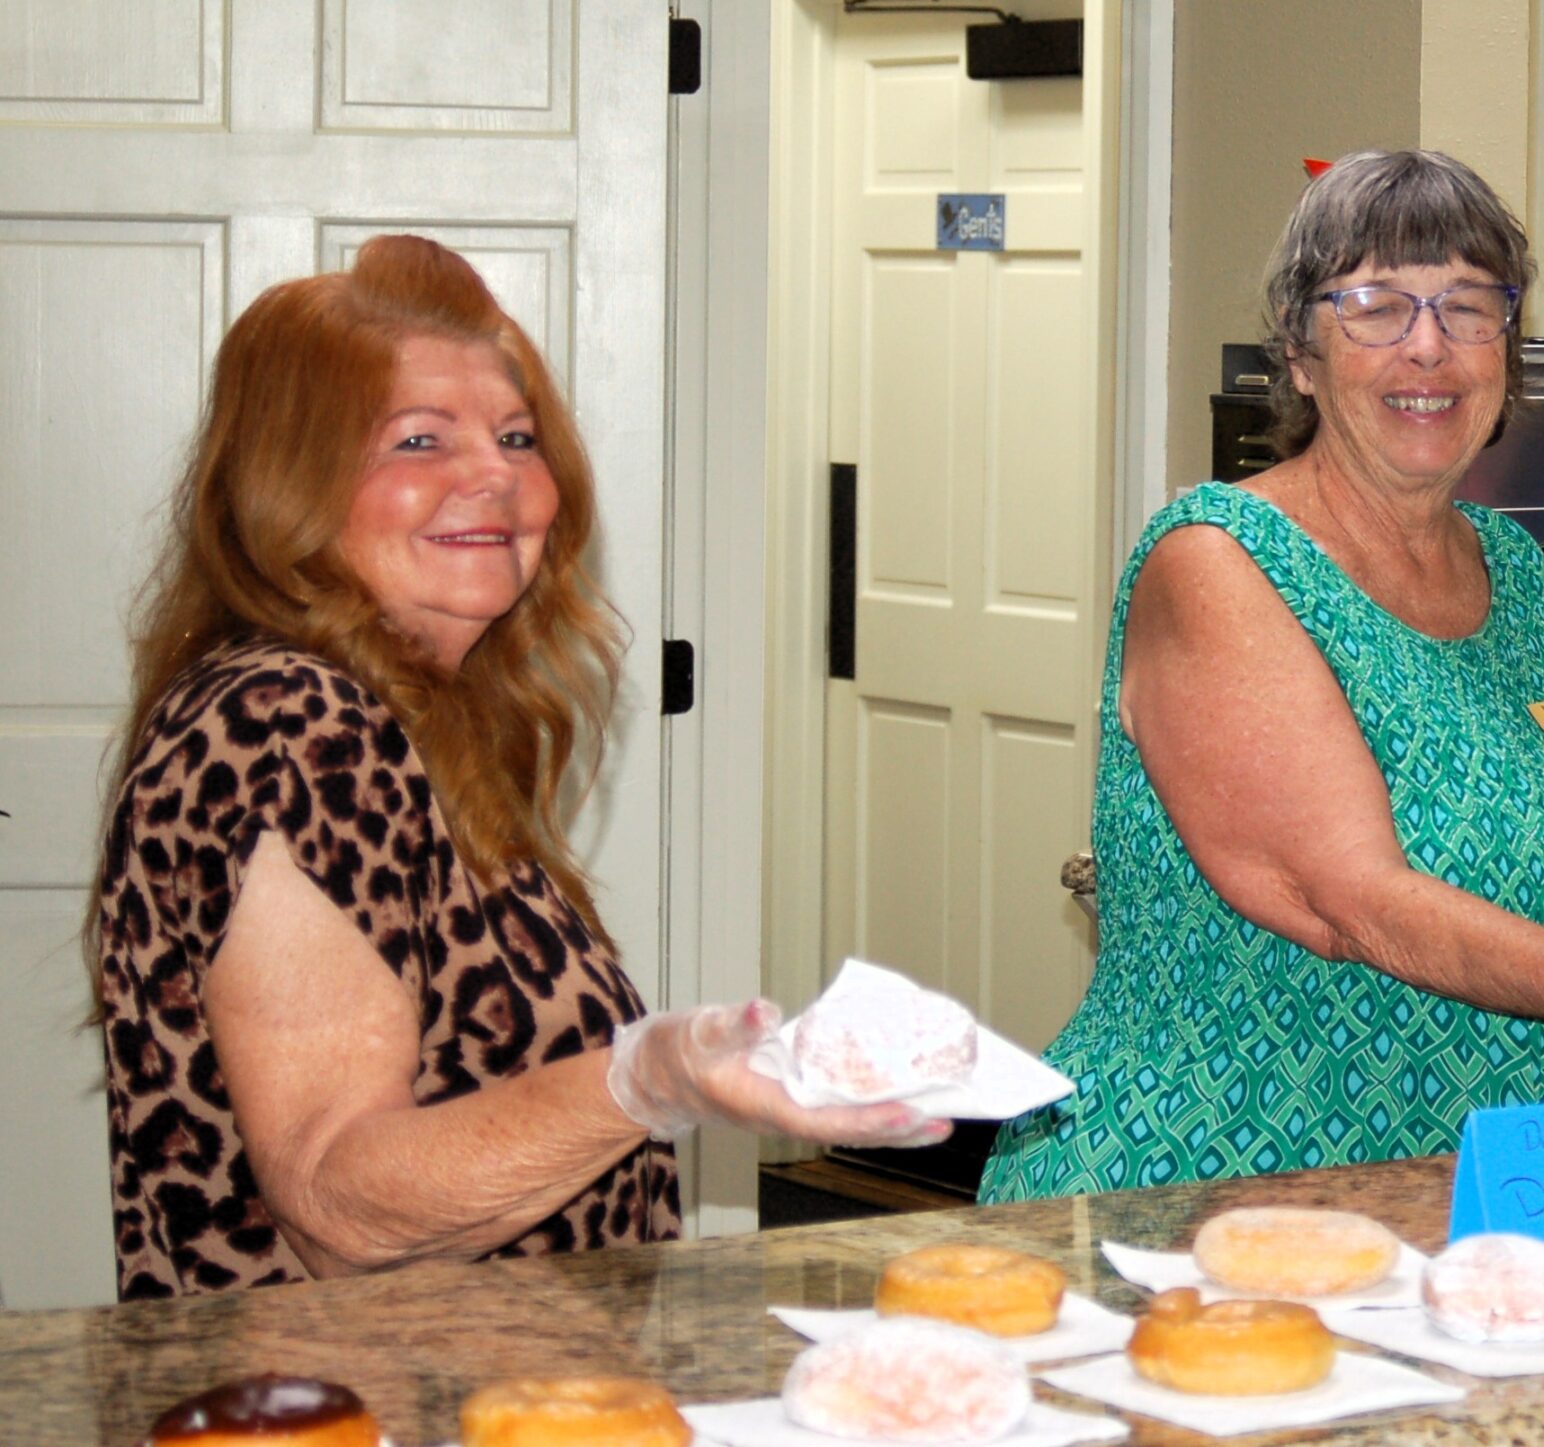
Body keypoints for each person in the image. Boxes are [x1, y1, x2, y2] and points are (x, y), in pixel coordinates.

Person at [91, 236, 947, 1300]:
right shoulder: (292, 725)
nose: (493, 474)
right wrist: (653, 1077)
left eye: (514, 436)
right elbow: (335, 1201)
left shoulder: (414, 721)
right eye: (417, 440)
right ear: (288, 483)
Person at [978, 150, 1544, 1203]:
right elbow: (1346, 898)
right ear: (1301, 355)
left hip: (1526, 1196)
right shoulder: (1216, 559)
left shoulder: (1515, 574)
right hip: (1236, 1191)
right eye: (1376, 307)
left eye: (1467, 307)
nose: (1428, 347)